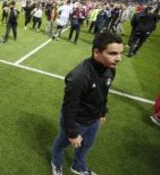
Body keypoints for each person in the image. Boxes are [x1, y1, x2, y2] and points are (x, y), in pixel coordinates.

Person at [51, 32, 124, 175]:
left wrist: (102, 112)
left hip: (94, 118)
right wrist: (72, 133)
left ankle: (78, 167)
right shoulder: (80, 77)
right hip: (77, 120)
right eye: (113, 53)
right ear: (96, 52)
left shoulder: (110, 68)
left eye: (120, 53)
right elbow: (69, 108)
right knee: (61, 145)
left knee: (87, 145)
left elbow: (104, 93)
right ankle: (56, 163)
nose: (118, 58)